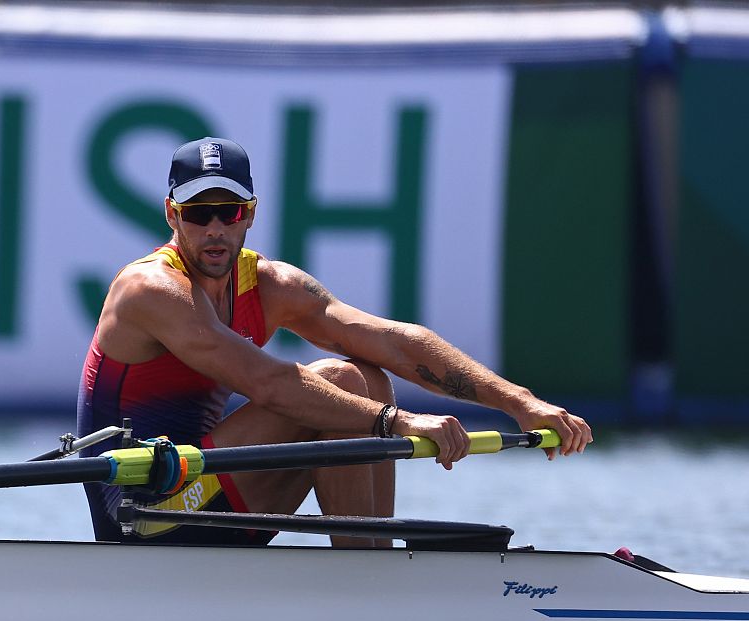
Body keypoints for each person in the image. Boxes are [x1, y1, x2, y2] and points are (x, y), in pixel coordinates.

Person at [77, 137, 592, 547]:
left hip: (210, 490)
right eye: (198, 213)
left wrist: (521, 404)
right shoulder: (151, 290)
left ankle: (370, 573)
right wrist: (403, 423)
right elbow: (270, 383)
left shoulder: (270, 286)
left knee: (370, 375)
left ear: (250, 214)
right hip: (142, 513)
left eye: (229, 212)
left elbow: (394, 342)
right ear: (172, 215)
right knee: (344, 382)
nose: (215, 229)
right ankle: (366, 584)